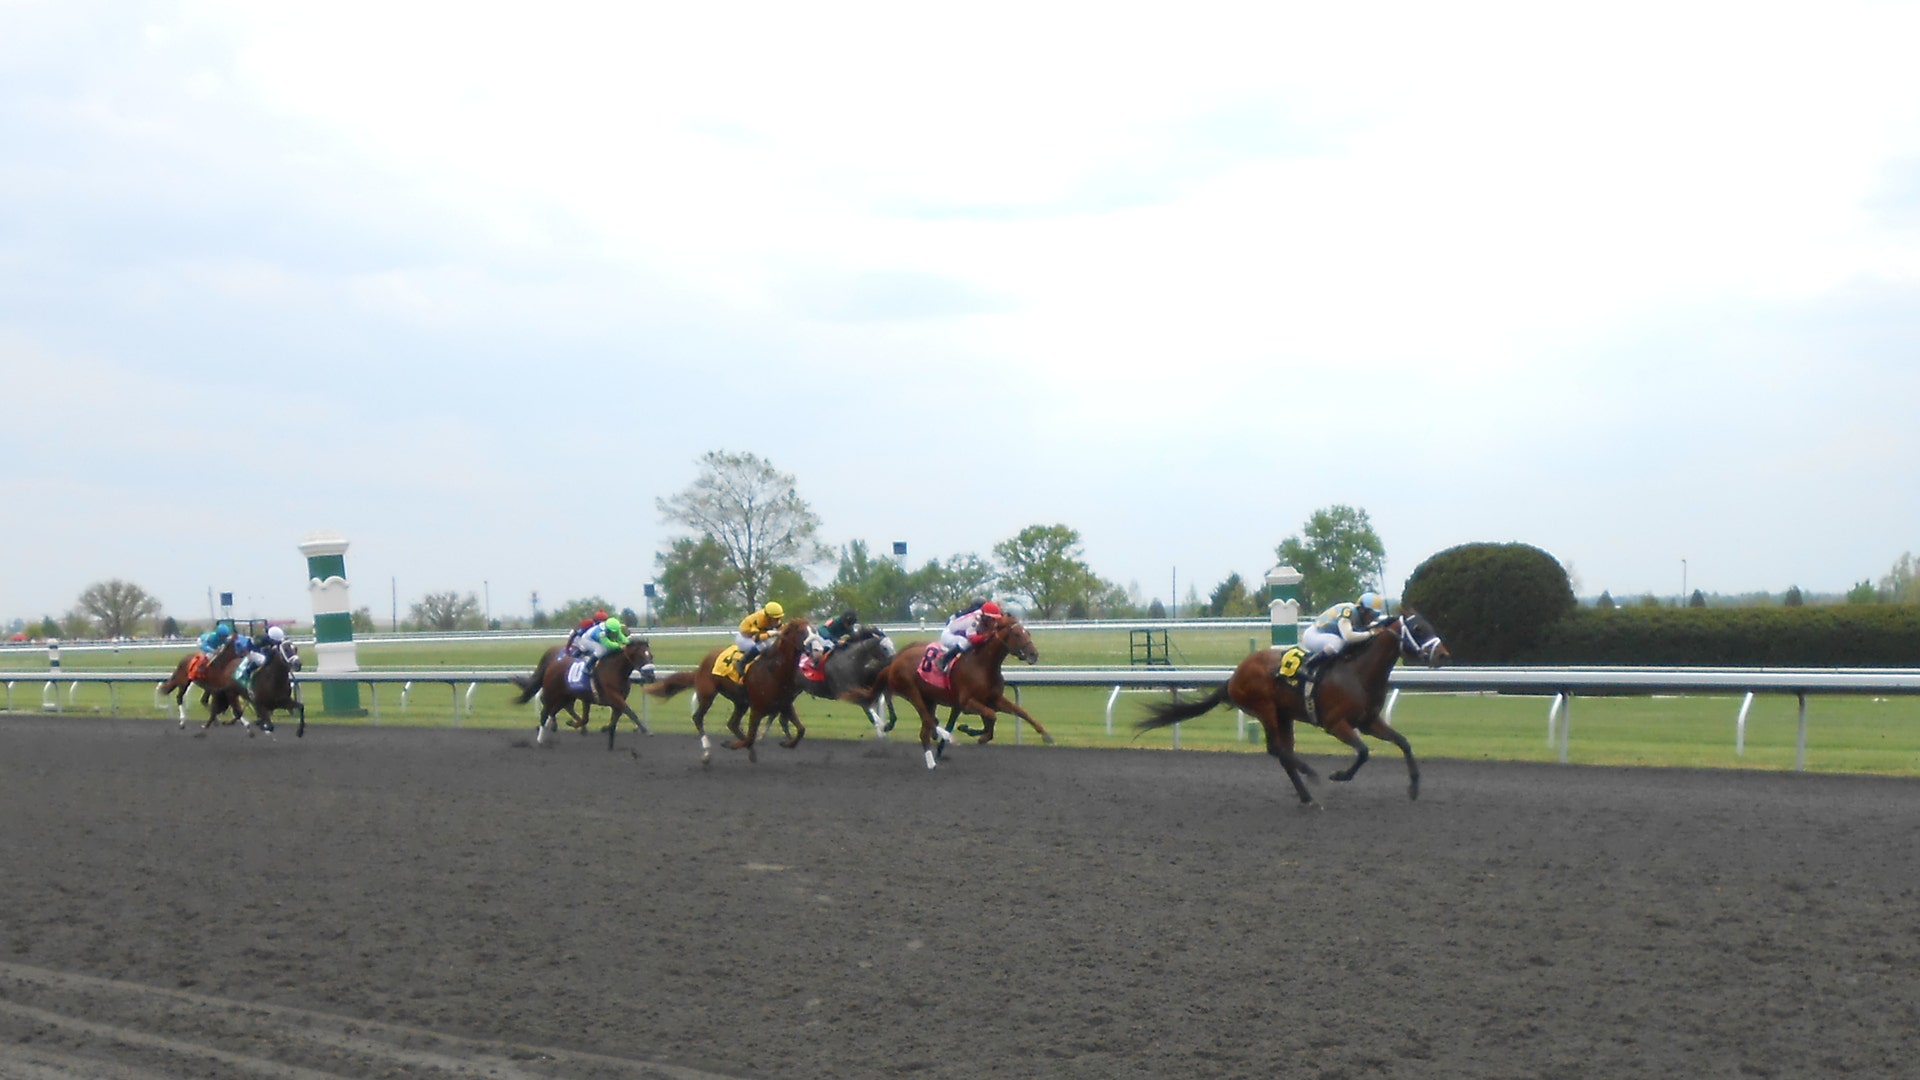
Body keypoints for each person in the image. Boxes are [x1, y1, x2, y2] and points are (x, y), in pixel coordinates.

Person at [1299, 592, 1385, 677]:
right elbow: (1348, 637)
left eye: (1377, 615)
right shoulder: (1348, 612)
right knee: (1338, 643)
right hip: (1313, 635)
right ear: (1363, 610)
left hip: (1324, 635)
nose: (1373, 618)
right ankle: (1309, 666)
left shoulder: (1358, 615)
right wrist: (1370, 633)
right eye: (1372, 615)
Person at [938, 600, 1003, 672]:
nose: (994, 622)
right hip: (949, 634)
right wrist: (986, 636)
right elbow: (972, 639)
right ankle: (944, 660)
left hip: (960, 633)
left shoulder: (982, 615)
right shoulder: (974, 620)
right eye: (993, 619)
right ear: (985, 617)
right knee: (965, 643)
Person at [576, 616, 629, 684]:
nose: (614, 633)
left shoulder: (615, 627)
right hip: (587, 640)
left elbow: (621, 637)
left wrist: (628, 643)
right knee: (602, 650)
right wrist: (620, 646)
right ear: (607, 629)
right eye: (612, 632)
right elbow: (608, 644)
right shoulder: (601, 633)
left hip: (595, 639)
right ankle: (587, 667)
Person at [734, 601, 784, 670]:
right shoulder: (760, 620)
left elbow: (782, 629)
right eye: (776, 619)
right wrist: (771, 634)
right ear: (768, 617)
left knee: (772, 643)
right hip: (745, 638)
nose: (778, 620)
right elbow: (756, 638)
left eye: (779, 618)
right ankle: (741, 662)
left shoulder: (771, 618)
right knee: (762, 646)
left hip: (756, 635)